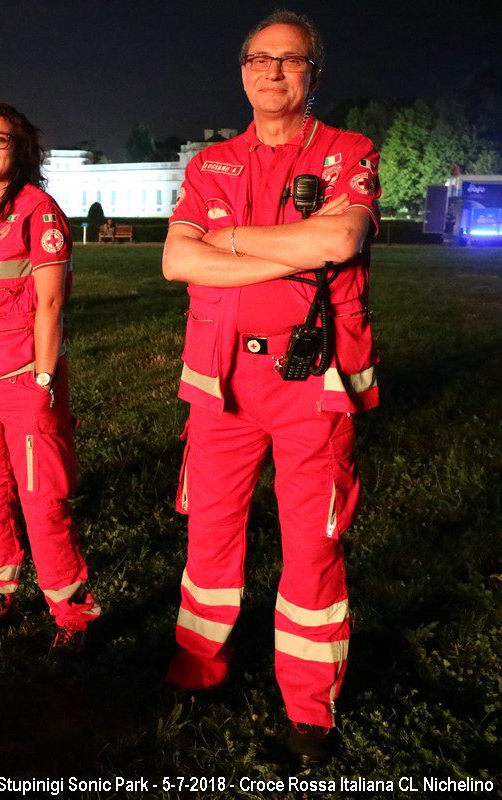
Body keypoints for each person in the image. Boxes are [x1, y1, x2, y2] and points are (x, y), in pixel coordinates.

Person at [160, 10, 381, 765]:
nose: (273, 72)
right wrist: (288, 255)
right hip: (220, 381)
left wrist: (222, 240)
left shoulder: (350, 152)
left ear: (313, 74)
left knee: (311, 548)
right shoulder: (213, 161)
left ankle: (308, 707)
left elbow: (338, 240)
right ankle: (197, 668)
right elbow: (175, 262)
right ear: (243, 70)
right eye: (260, 59)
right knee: (209, 538)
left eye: (290, 61)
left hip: (312, 385)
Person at [0, 102, 100, 651]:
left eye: (1, 140)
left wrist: (42, 378)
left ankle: (70, 611)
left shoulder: (40, 211)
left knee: (42, 497)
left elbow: (51, 304)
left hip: (21, 380)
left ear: (22, 149)